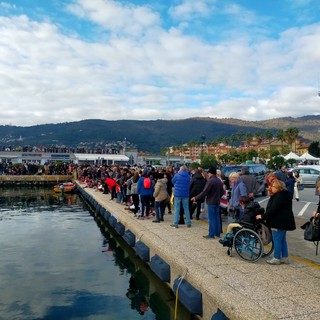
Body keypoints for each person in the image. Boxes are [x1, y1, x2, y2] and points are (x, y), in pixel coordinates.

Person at [255, 172, 296, 265]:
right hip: (285, 222)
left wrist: (262, 216)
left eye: (273, 186)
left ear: (278, 188)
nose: (271, 188)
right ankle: (284, 257)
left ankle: (276, 257)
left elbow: (273, 210)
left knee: (277, 239)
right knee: (282, 240)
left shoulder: (278, 197)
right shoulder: (285, 195)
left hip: (278, 222)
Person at [191, 167, 224, 238]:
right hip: (217, 201)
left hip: (211, 201)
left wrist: (196, 198)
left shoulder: (210, 181)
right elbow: (222, 191)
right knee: (217, 218)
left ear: (210, 173)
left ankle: (211, 234)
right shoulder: (219, 180)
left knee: (211, 218)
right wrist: (218, 196)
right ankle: (217, 233)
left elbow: (204, 192)